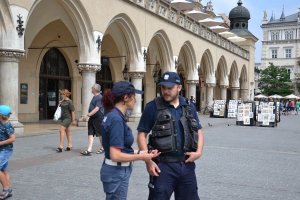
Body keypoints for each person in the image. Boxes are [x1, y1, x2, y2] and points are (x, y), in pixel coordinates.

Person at [137, 71, 204, 200]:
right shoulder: (152, 107)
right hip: (162, 167)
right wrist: (148, 161)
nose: (165, 91)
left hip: (186, 165)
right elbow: (141, 134)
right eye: (163, 87)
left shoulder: (189, 107)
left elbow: (199, 130)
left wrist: (199, 152)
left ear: (179, 88)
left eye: (170, 88)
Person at [100, 81, 160, 200]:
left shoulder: (114, 115)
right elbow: (115, 155)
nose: (137, 100)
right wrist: (142, 157)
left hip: (115, 171)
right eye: (134, 96)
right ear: (125, 98)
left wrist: (142, 152)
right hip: (116, 171)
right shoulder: (116, 119)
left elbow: (122, 148)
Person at [81, 84, 105, 156]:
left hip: (98, 118)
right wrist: (88, 116)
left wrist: (88, 115)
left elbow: (97, 109)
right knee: (90, 133)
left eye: (92, 88)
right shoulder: (94, 97)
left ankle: (103, 147)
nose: (91, 89)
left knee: (100, 134)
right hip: (92, 118)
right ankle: (89, 150)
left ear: (95, 89)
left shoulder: (100, 97)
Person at [0, 105, 15, 199]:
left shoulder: (7, 125)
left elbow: (13, 138)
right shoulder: (1, 123)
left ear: (1, 115)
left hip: (6, 150)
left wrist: (1, 143)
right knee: (3, 170)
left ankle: (5, 189)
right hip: (2, 149)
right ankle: (8, 189)